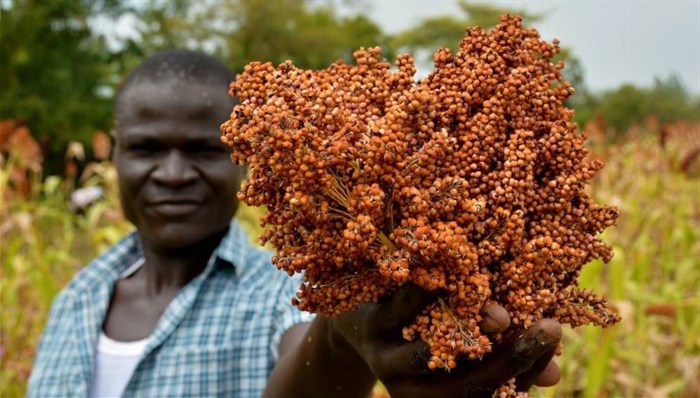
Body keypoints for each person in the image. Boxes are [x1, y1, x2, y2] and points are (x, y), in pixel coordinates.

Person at [28, 49, 562, 398]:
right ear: (114, 155)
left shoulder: (294, 286)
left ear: (248, 157)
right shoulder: (77, 297)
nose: (172, 174)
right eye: (146, 149)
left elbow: (324, 349)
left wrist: (341, 343)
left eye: (202, 150)